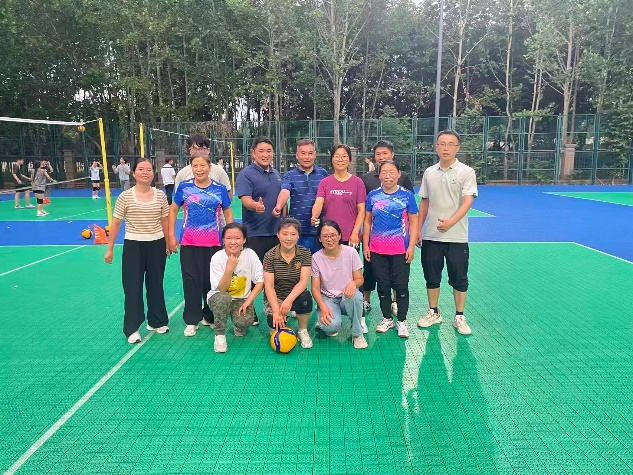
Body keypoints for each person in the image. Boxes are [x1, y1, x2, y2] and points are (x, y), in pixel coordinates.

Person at [416, 130, 478, 336]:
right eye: (442, 144)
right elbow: (424, 202)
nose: (446, 148)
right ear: (436, 147)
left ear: (457, 148)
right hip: (431, 236)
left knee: (459, 278)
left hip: (457, 237)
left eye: (450, 144)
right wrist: (418, 229)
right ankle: (434, 312)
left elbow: (467, 201)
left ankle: (459, 316)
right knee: (431, 277)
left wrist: (451, 222)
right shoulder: (429, 173)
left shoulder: (466, 172)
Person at [104, 159, 171, 344]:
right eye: (141, 169)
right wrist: (110, 248)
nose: (145, 172)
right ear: (133, 173)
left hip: (157, 244)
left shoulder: (160, 195)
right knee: (132, 287)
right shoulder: (125, 197)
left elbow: (165, 220)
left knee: (155, 284)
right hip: (133, 245)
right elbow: (116, 223)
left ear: (153, 174)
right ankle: (132, 328)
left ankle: (157, 321)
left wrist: (168, 242)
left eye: (149, 169)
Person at [168, 154, 234, 337]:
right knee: (191, 281)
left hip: (214, 243)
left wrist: (230, 238)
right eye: (195, 166)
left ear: (209, 167)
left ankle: (209, 316)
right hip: (189, 243)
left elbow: (228, 212)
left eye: (202, 165)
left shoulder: (219, 189)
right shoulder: (184, 187)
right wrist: (171, 236)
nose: (199, 169)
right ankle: (192, 320)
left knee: (211, 281)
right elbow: (173, 210)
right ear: (191, 168)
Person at [363, 160, 418, 338]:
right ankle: (387, 318)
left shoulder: (407, 195)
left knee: (401, 287)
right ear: (379, 175)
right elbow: (367, 221)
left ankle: (402, 320)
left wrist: (411, 246)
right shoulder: (373, 195)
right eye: (384, 172)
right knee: (383, 286)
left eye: (392, 172)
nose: (388, 176)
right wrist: (366, 244)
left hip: (400, 250)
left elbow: (414, 222)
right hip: (377, 249)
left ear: (399, 174)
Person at [236, 136, 283, 325]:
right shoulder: (246, 174)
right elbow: (245, 199)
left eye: (269, 151)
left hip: (276, 234)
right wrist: (255, 206)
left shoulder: (276, 174)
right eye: (261, 151)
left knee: (275, 275)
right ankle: (250, 310)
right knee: (253, 275)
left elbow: (281, 199)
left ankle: (274, 308)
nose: (265, 154)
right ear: (253, 153)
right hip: (255, 234)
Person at [207, 223, 264, 353]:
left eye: (238, 238)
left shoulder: (250, 254)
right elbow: (222, 289)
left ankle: (238, 325)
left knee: (245, 322)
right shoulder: (217, 258)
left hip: (241, 299)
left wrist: (248, 301)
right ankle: (220, 335)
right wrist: (229, 268)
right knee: (223, 298)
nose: (233, 242)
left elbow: (260, 281)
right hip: (219, 297)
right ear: (223, 240)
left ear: (244, 240)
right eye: (228, 238)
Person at [311, 220, 368, 350]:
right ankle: (326, 318)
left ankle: (357, 334)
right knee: (330, 326)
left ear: (340, 236)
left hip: (346, 297)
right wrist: (323, 307)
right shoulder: (316, 258)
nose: (329, 239)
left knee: (356, 297)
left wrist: (353, 283)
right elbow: (315, 288)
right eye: (325, 236)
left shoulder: (351, 252)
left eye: (333, 235)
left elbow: (359, 279)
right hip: (328, 298)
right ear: (319, 238)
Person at [263, 217, 313, 349]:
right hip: (277, 296)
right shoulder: (269, 256)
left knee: (305, 297)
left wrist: (289, 300)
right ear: (278, 235)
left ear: (298, 236)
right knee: (274, 324)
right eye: (285, 234)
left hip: (295, 295)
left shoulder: (305, 253)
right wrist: (276, 310)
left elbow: (303, 281)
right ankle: (280, 315)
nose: (289, 238)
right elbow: (269, 286)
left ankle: (302, 330)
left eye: (293, 234)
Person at [272, 138, 328, 253]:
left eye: (310, 153)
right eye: (303, 153)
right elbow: (285, 191)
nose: (307, 157)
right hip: (297, 232)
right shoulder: (289, 175)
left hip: (319, 231)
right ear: (297, 155)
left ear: (315, 155)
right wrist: (278, 206)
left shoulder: (323, 174)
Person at [311, 144, 366, 248]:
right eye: (337, 156)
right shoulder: (324, 182)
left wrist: (355, 233)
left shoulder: (358, 182)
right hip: (329, 237)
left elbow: (361, 211)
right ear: (332, 159)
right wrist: (314, 216)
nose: (340, 159)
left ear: (350, 159)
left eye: (344, 156)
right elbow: (319, 203)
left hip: (350, 237)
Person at [174, 134, 232, 200]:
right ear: (190, 151)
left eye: (201, 148)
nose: (197, 152)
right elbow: (178, 199)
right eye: (194, 148)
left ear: (208, 151)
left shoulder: (219, 171)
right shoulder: (182, 174)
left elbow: (228, 196)